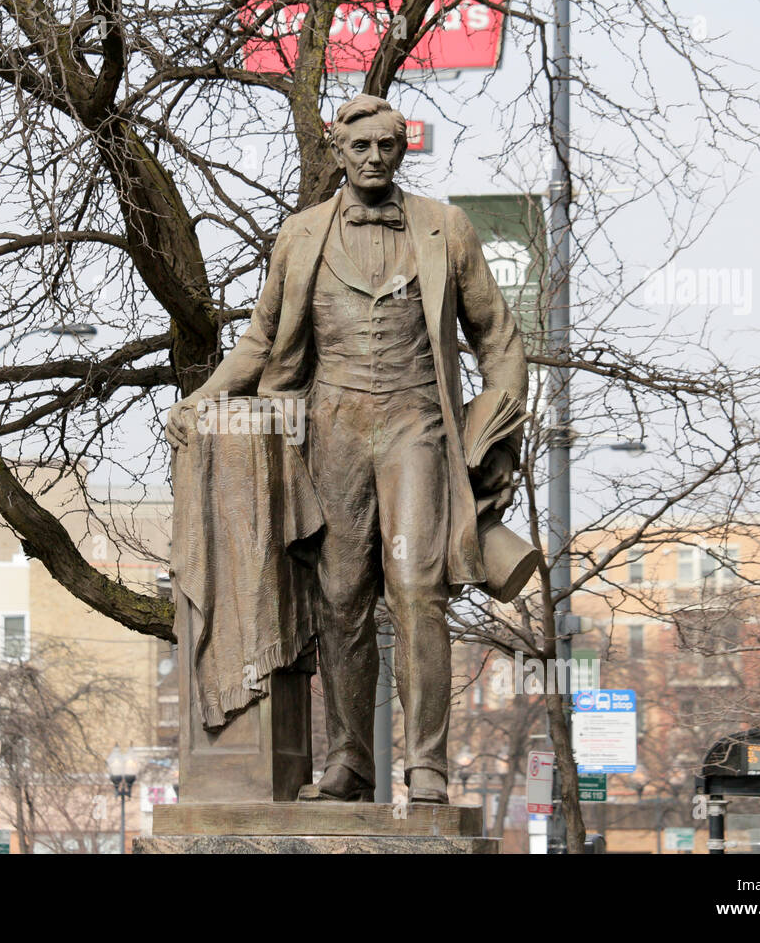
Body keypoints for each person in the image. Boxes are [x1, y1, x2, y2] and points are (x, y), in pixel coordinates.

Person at [166, 95, 527, 804]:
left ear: (401, 150)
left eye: (386, 146)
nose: (372, 158)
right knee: (337, 597)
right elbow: (263, 340)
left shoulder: (444, 228)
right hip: (329, 427)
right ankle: (351, 762)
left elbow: (499, 338)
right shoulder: (300, 236)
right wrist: (204, 396)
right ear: (338, 152)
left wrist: (491, 434)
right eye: (358, 147)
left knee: (418, 587)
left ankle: (426, 764)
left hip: (415, 423)